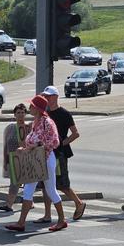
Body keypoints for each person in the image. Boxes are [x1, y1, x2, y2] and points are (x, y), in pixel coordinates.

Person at [5, 95, 68, 232]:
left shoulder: (47, 122)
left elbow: (55, 142)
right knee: (28, 190)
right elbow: (33, 141)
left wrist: (37, 145)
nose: (30, 108)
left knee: (51, 190)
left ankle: (62, 220)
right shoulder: (36, 121)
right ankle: (21, 223)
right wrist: (26, 149)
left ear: (38, 109)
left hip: (45, 160)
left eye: (32, 106)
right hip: (35, 160)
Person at [37, 86, 86, 222]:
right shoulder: (44, 114)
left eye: (49, 96)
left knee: (62, 184)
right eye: (45, 96)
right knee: (44, 184)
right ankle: (47, 215)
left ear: (56, 97)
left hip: (60, 153)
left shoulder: (64, 113)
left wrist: (62, 143)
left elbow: (75, 133)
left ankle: (79, 203)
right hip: (45, 152)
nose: (46, 98)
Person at [0, 103, 32, 212]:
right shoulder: (10, 128)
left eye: (23, 112)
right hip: (13, 159)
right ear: (14, 114)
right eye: (18, 113)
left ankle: (28, 203)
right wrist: (5, 161)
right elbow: (5, 145)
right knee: (14, 182)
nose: (21, 115)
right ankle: (9, 205)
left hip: (26, 158)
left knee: (28, 183)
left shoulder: (29, 127)